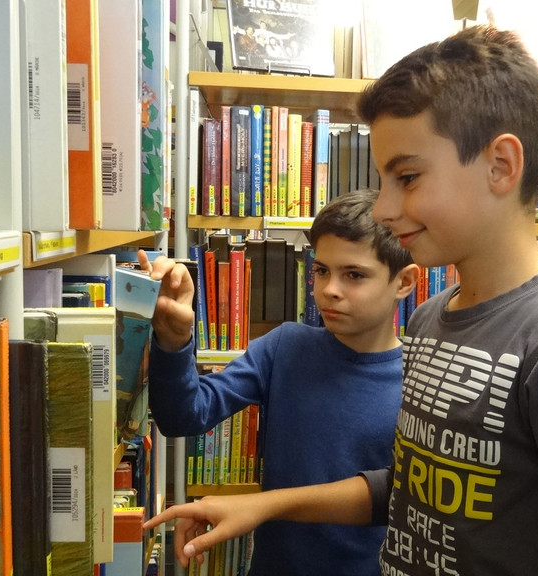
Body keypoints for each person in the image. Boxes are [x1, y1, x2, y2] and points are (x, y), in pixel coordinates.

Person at [146, 25, 538, 575]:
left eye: (408, 177)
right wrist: (265, 505)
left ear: (500, 165)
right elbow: (410, 488)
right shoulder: (430, 319)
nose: (383, 209)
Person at [137, 189, 419, 576]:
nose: (329, 290)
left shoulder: (419, 379)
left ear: (404, 282)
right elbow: (183, 416)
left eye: (354, 275)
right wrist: (173, 340)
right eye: (322, 271)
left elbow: (404, 499)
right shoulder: (286, 347)